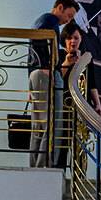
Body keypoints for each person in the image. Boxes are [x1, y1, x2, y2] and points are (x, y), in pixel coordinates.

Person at [28, 22, 92, 167]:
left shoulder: (86, 58)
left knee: (73, 142)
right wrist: (67, 63)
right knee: (58, 137)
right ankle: (55, 167)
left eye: (76, 38)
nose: (73, 41)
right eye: (69, 38)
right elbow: (56, 80)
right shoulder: (60, 55)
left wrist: (97, 105)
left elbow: (92, 83)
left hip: (77, 107)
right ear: (64, 40)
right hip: (61, 103)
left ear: (81, 39)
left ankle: (67, 171)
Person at [30, 0, 79, 71]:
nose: (68, 21)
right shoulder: (52, 21)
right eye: (69, 16)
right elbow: (52, 53)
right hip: (43, 70)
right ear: (60, 8)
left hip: (36, 68)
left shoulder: (42, 20)